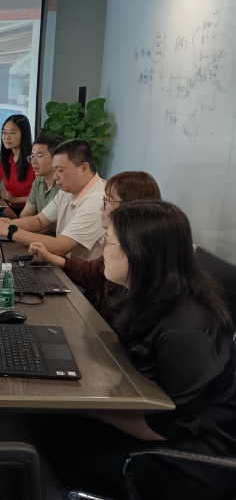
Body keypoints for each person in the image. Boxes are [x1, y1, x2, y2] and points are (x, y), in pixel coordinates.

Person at [42, 200, 236, 500]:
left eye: (108, 241)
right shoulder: (152, 295)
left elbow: (170, 428)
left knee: (48, 437)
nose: (103, 249)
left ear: (137, 252)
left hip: (192, 458)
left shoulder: (184, 329)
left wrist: (86, 407)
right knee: (50, 420)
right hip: (163, 421)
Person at [28, 171, 161, 326]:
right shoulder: (121, 244)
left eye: (107, 201)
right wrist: (52, 258)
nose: (101, 207)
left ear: (131, 207)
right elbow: (95, 271)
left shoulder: (136, 259)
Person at [0, 138, 106, 260]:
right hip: (65, 264)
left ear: (84, 168)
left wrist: (9, 230)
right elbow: (39, 220)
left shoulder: (96, 201)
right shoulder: (68, 190)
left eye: (60, 170)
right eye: (54, 170)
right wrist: (7, 223)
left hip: (79, 270)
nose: (55, 176)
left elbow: (61, 246)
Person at [0, 114, 35, 213]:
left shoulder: (34, 159)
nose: (6, 137)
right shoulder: (6, 158)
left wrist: (15, 199)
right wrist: (3, 193)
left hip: (32, 210)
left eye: (12, 133)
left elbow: (42, 196)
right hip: (11, 208)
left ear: (24, 134)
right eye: (4, 133)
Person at [17, 133, 64, 218]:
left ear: (56, 158)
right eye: (32, 156)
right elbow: (26, 214)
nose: (33, 161)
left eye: (39, 156)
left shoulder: (63, 186)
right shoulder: (38, 180)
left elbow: (50, 223)